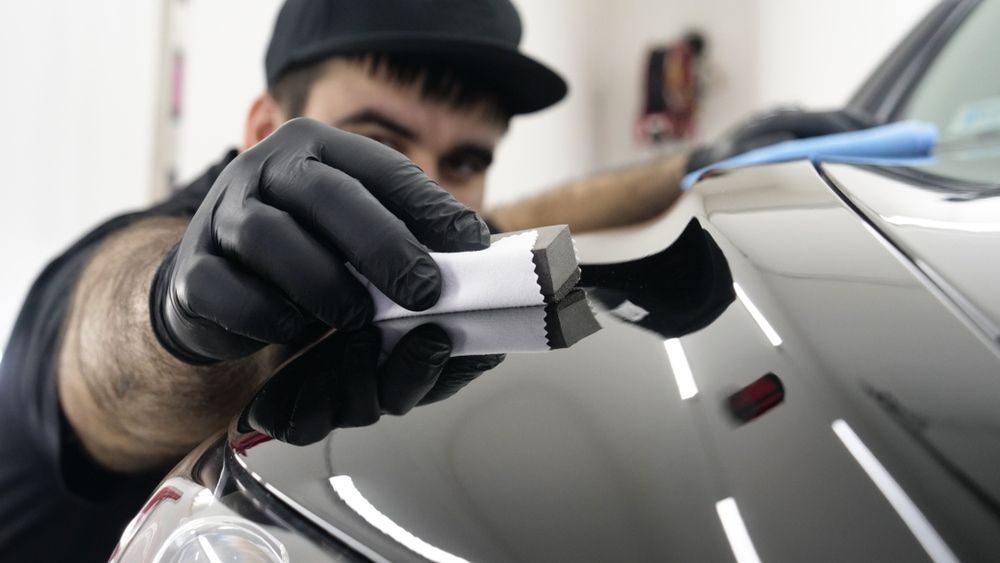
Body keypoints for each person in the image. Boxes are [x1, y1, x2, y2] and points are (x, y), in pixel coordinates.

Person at [0, 0, 868, 559]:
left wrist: (703, 161)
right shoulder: (147, 254)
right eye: (379, 144)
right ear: (265, 123)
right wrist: (170, 315)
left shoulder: (426, 242)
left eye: (465, 160)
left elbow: (535, 207)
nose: (427, 184)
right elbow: (102, 357)